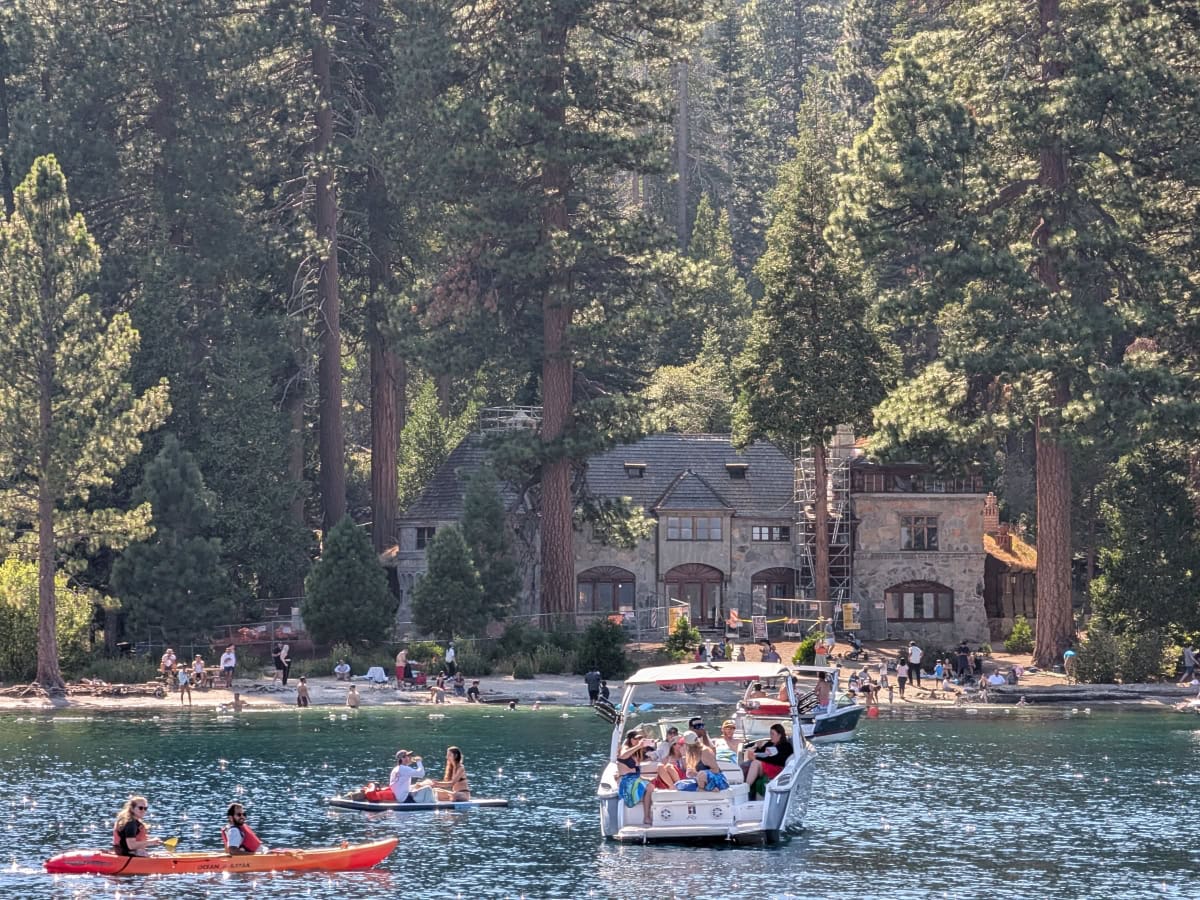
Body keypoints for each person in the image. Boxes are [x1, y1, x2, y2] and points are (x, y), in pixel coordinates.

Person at [742, 723, 793, 800]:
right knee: (746, 764)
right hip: (765, 766)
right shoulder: (769, 743)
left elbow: (779, 760)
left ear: (779, 735)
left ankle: (745, 789)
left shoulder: (786, 746)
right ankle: (743, 785)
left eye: (773, 734)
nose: (771, 736)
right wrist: (758, 748)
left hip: (776, 768)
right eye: (770, 734)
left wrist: (758, 758)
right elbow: (759, 753)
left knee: (755, 763)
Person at [616, 730, 657, 825]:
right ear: (630, 739)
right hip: (626, 780)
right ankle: (646, 817)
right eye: (637, 738)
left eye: (640, 738)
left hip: (635, 779)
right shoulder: (625, 748)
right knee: (649, 787)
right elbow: (623, 755)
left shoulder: (637, 752)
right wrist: (638, 746)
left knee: (651, 785)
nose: (639, 740)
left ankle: (649, 815)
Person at [363, 750, 427, 803]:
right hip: (402, 798)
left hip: (397, 795)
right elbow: (421, 774)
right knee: (428, 789)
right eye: (408, 756)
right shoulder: (405, 769)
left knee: (416, 787)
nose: (410, 758)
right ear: (403, 759)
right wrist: (419, 762)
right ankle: (435, 804)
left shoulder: (396, 768)